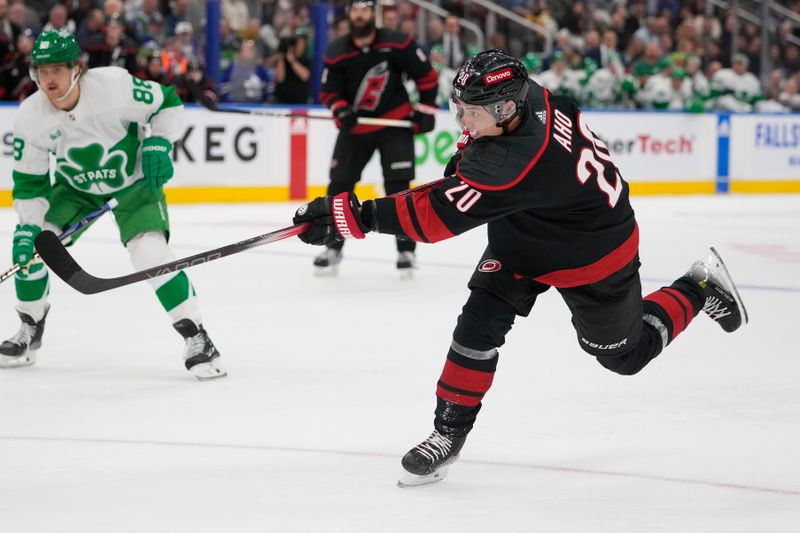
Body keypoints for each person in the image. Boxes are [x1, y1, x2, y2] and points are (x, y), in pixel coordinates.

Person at [292, 49, 748, 486]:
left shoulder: (514, 161)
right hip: (526, 233)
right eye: (460, 107)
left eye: (471, 112)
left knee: (623, 355)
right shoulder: (532, 97)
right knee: (476, 328)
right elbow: (470, 175)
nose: (462, 120)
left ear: (506, 107)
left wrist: (347, 216)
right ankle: (447, 434)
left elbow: (434, 218)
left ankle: (699, 287)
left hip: (592, 251)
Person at [0, 30, 226, 380]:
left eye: (56, 70)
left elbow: (166, 102)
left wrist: (159, 144)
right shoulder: (31, 116)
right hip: (76, 190)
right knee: (31, 247)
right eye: (42, 71)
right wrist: (29, 226)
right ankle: (30, 327)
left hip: (133, 184)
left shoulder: (114, 87)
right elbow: (30, 184)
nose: (48, 80)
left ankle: (197, 337)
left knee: (149, 254)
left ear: (77, 68)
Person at [315, 0, 439, 276]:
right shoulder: (337, 51)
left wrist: (425, 110)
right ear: (349, 14)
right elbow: (328, 91)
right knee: (339, 186)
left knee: (399, 188)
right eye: (355, 9)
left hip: (394, 125)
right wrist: (341, 109)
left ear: (374, 13)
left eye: (365, 9)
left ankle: (406, 250)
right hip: (356, 129)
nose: (360, 15)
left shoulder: (399, 43)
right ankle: (333, 246)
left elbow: (427, 78)